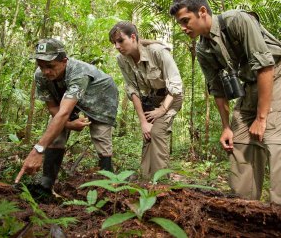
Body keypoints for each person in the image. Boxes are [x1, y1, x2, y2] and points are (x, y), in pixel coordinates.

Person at [169, 0, 281, 209]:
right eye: (180, 23)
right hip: (250, 84)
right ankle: (245, 212)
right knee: (238, 142)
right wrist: (225, 127)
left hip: (277, 75)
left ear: (202, 12)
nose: (183, 28)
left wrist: (261, 118)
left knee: (277, 144)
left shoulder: (236, 20)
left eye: (185, 20)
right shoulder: (203, 49)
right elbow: (218, 90)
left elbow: (265, 65)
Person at [15, 38, 118, 194]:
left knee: (100, 135)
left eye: (50, 66)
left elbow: (63, 113)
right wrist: (69, 124)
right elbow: (54, 109)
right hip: (69, 97)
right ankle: (46, 184)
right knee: (56, 130)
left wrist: (38, 150)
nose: (45, 71)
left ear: (64, 61)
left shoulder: (78, 72)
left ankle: (109, 186)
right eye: (41, 66)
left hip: (100, 97)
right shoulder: (40, 76)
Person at [109, 22, 183, 180]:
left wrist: (162, 110)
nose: (117, 46)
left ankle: (162, 183)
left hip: (171, 98)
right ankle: (146, 180)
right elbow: (132, 90)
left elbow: (176, 84)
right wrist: (143, 121)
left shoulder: (157, 51)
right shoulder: (122, 59)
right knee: (148, 134)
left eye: (120, 41)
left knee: (157, 132)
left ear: (133, 37)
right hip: (151, 99)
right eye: (114, 42)